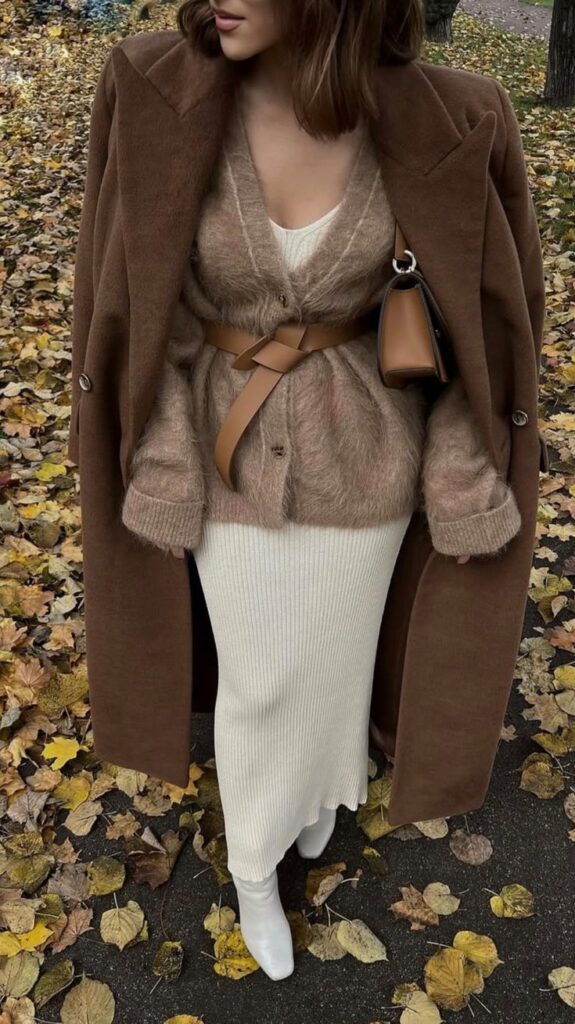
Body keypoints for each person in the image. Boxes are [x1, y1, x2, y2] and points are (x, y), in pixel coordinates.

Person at [69, 0, 545, 984]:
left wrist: (461, 470)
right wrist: (150, 452)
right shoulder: (152, 88)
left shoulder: (452, 117)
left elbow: (493, 328)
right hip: (219, 455)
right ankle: (251, 864)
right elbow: (119, 293)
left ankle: (321, 791)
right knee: (261, 681)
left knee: (335, 662)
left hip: (371, 456)